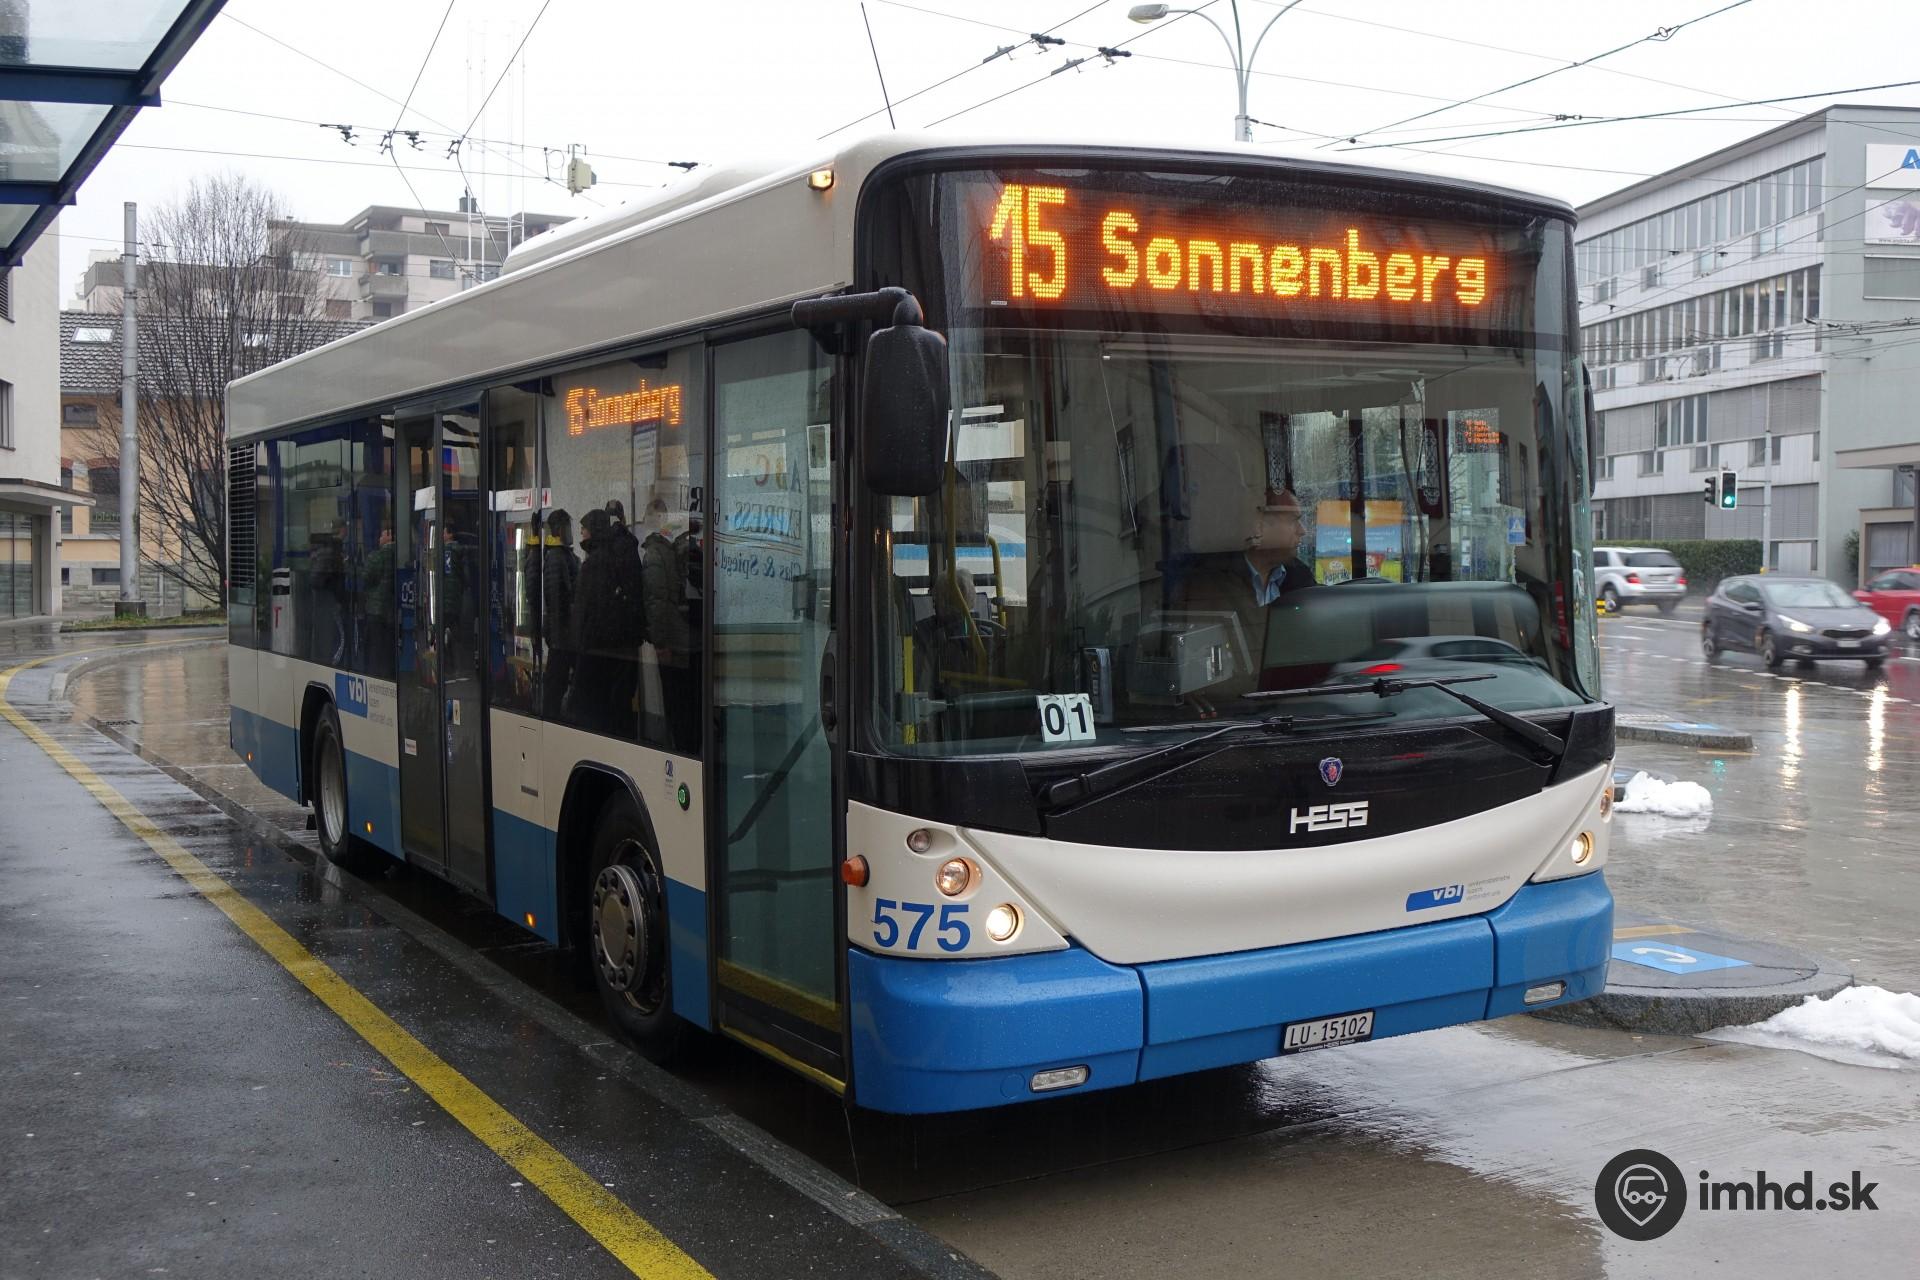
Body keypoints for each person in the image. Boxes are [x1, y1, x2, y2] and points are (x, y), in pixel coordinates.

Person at [569, 505, 646, 735]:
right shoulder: (620, 555)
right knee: (617, 708)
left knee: (592, 712)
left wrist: (576, 648)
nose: (581, 532)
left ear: (593, 530)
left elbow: (584, 611)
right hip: (619, 648)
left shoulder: (594, 563)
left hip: (595, 649)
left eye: (584, 528)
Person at [639, 498, 697, 750]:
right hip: (685, 636)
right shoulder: (673, 549)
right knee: (685, 701)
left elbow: (657, 601)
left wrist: (660, 641)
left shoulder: (654, 553)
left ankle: (680, 750)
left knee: (674, 702)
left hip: (671, 640)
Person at [535, 509, 579, 719]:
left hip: (565, 634)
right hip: (561, 635)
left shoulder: (564, 555)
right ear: (560, 529)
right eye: (568, 527)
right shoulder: (555, 557)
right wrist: (559, 636)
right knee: (555, 685)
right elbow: (555, 600)